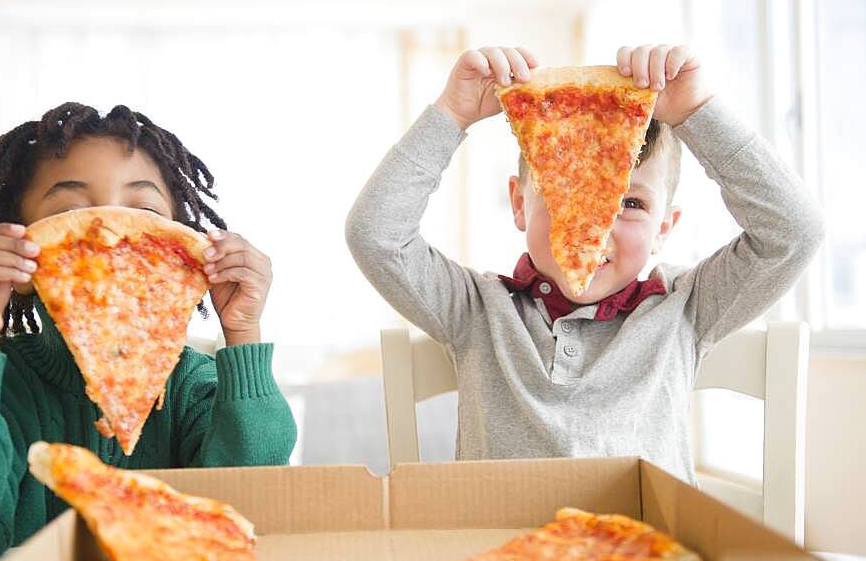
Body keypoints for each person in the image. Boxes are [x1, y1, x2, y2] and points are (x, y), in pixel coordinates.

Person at [346, 44, 824, 483]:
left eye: (631, 204)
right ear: (519, 205)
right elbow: (375, 235)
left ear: (664, 227)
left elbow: (794, 231)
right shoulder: (475, 311)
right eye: (565, 194)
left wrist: (698, 113)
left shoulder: (686, 308)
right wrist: (451, 115)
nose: (596, 225)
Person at [0, 103, 296, 561]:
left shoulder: (194, 389)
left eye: (142, 211)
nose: (110, 235)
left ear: (185, 258)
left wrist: (243, 333)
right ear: (18, 255)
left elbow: (248, 518)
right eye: (70, 213)